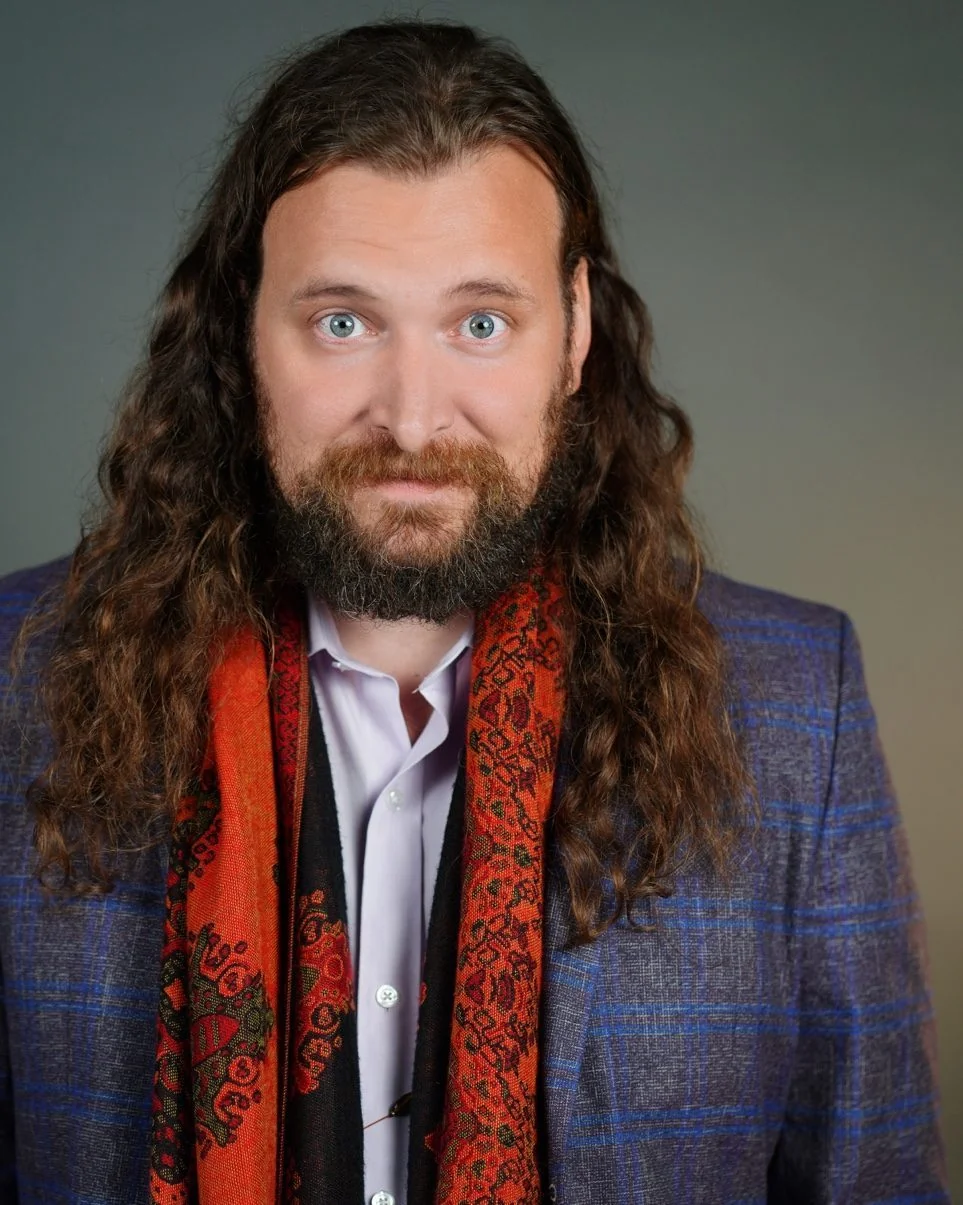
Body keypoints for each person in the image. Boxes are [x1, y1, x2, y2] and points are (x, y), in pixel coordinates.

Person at [0, 17, 948, 1205]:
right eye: (342, 322)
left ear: (576, 333)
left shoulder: (802, 706)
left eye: (480, 323)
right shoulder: (13, 681)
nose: (411, 416)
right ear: (244, 337)